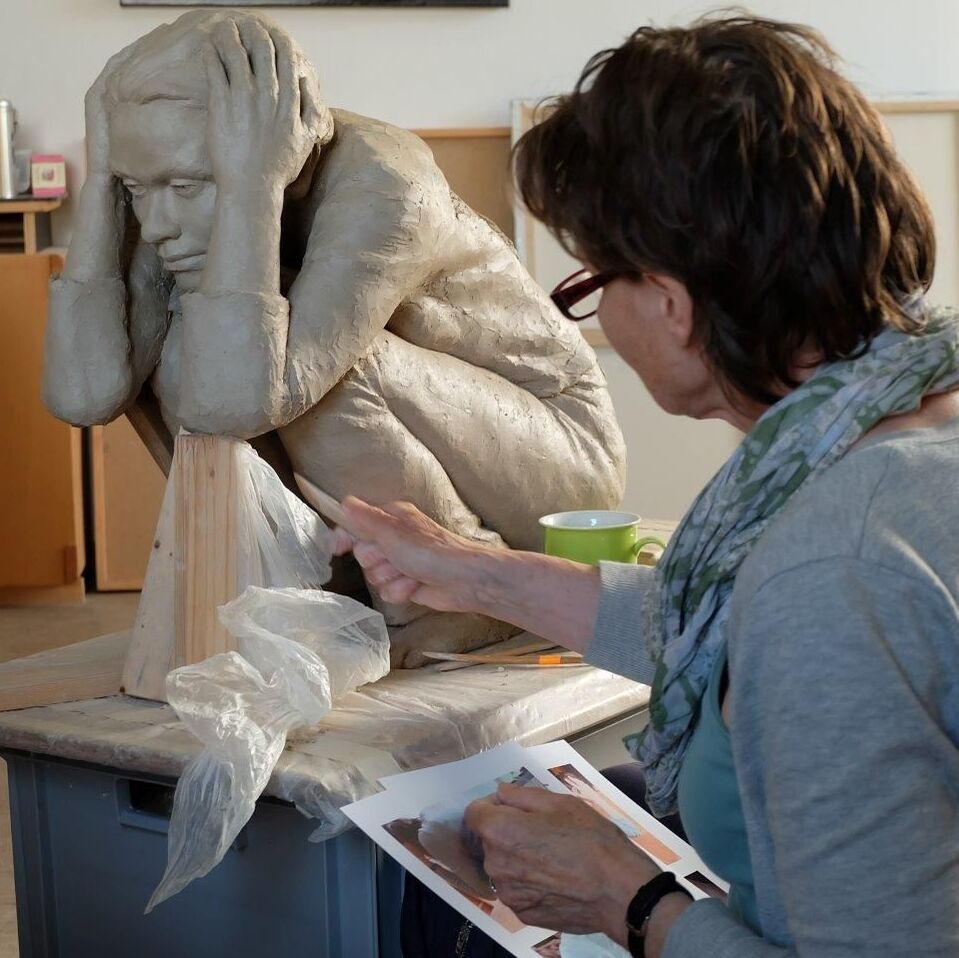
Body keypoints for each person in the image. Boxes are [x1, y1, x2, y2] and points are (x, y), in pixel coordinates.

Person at [330, 14, 959, 958]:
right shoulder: (907, 413)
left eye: (591, 282)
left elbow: (797, 619)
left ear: (669, 303)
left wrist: (630, 900)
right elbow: (713, 620)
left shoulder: (832, 567)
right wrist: (477, 571)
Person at [42, 9, 626, 665]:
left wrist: (248, 186)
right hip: (419, 442)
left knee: (315, 367)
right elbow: (85, 394)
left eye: (185, 185)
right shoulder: (174, 204)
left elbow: (244, 398)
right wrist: (100, 185)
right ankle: (315, 584)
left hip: (550, 460)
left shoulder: (384, 181)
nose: (157, 225)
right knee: (182, 352)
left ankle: (453, 594)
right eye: (138, 189)